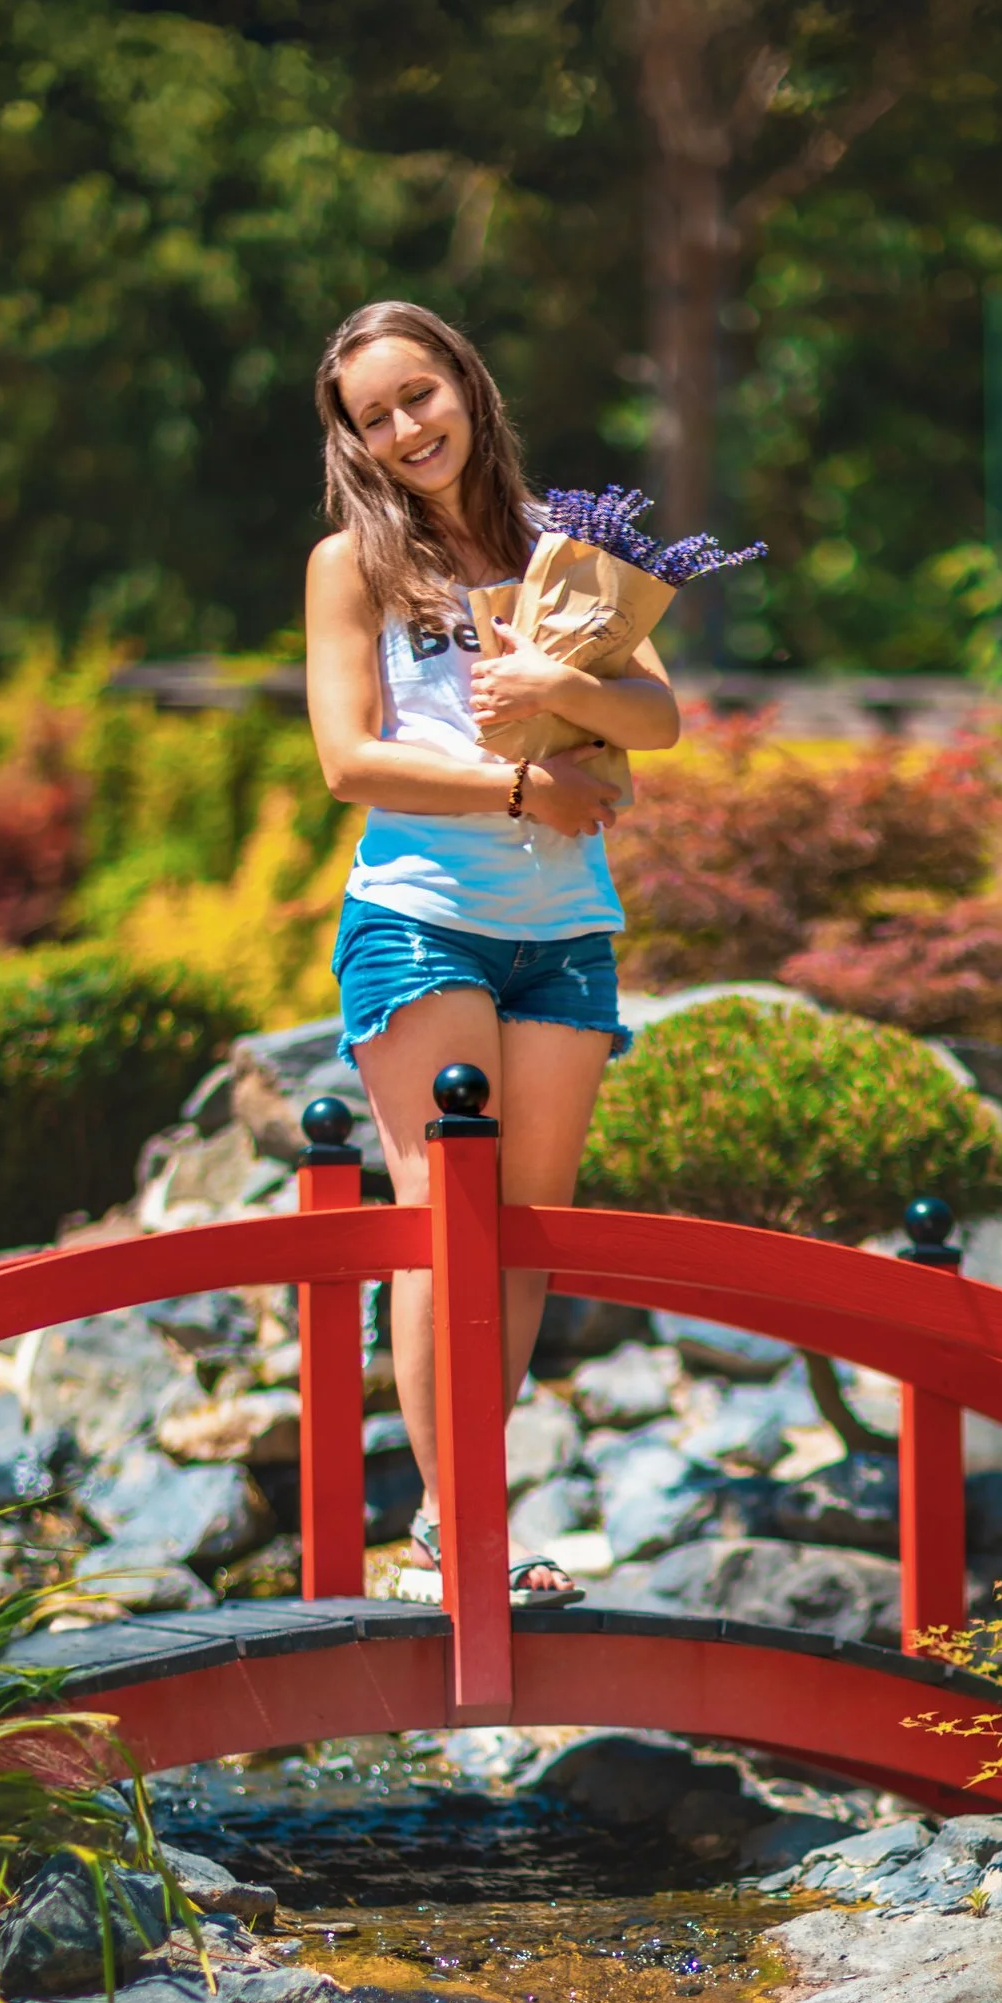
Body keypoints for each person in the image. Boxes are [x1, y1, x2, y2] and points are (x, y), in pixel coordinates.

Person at [304, 297, 680, 1603]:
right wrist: (523, 790)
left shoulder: (563, 548)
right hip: (418, 920)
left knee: (520, 1237)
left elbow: (659, 715)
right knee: (437, 1228)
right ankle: (454, 1535)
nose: (409, 427)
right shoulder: (351, 565)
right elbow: (349, 760)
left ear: (466, 381)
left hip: (565, 932)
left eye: (423, 394)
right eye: (377, 415)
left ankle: (463, 1520)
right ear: (352, 440)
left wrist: (555, 697)